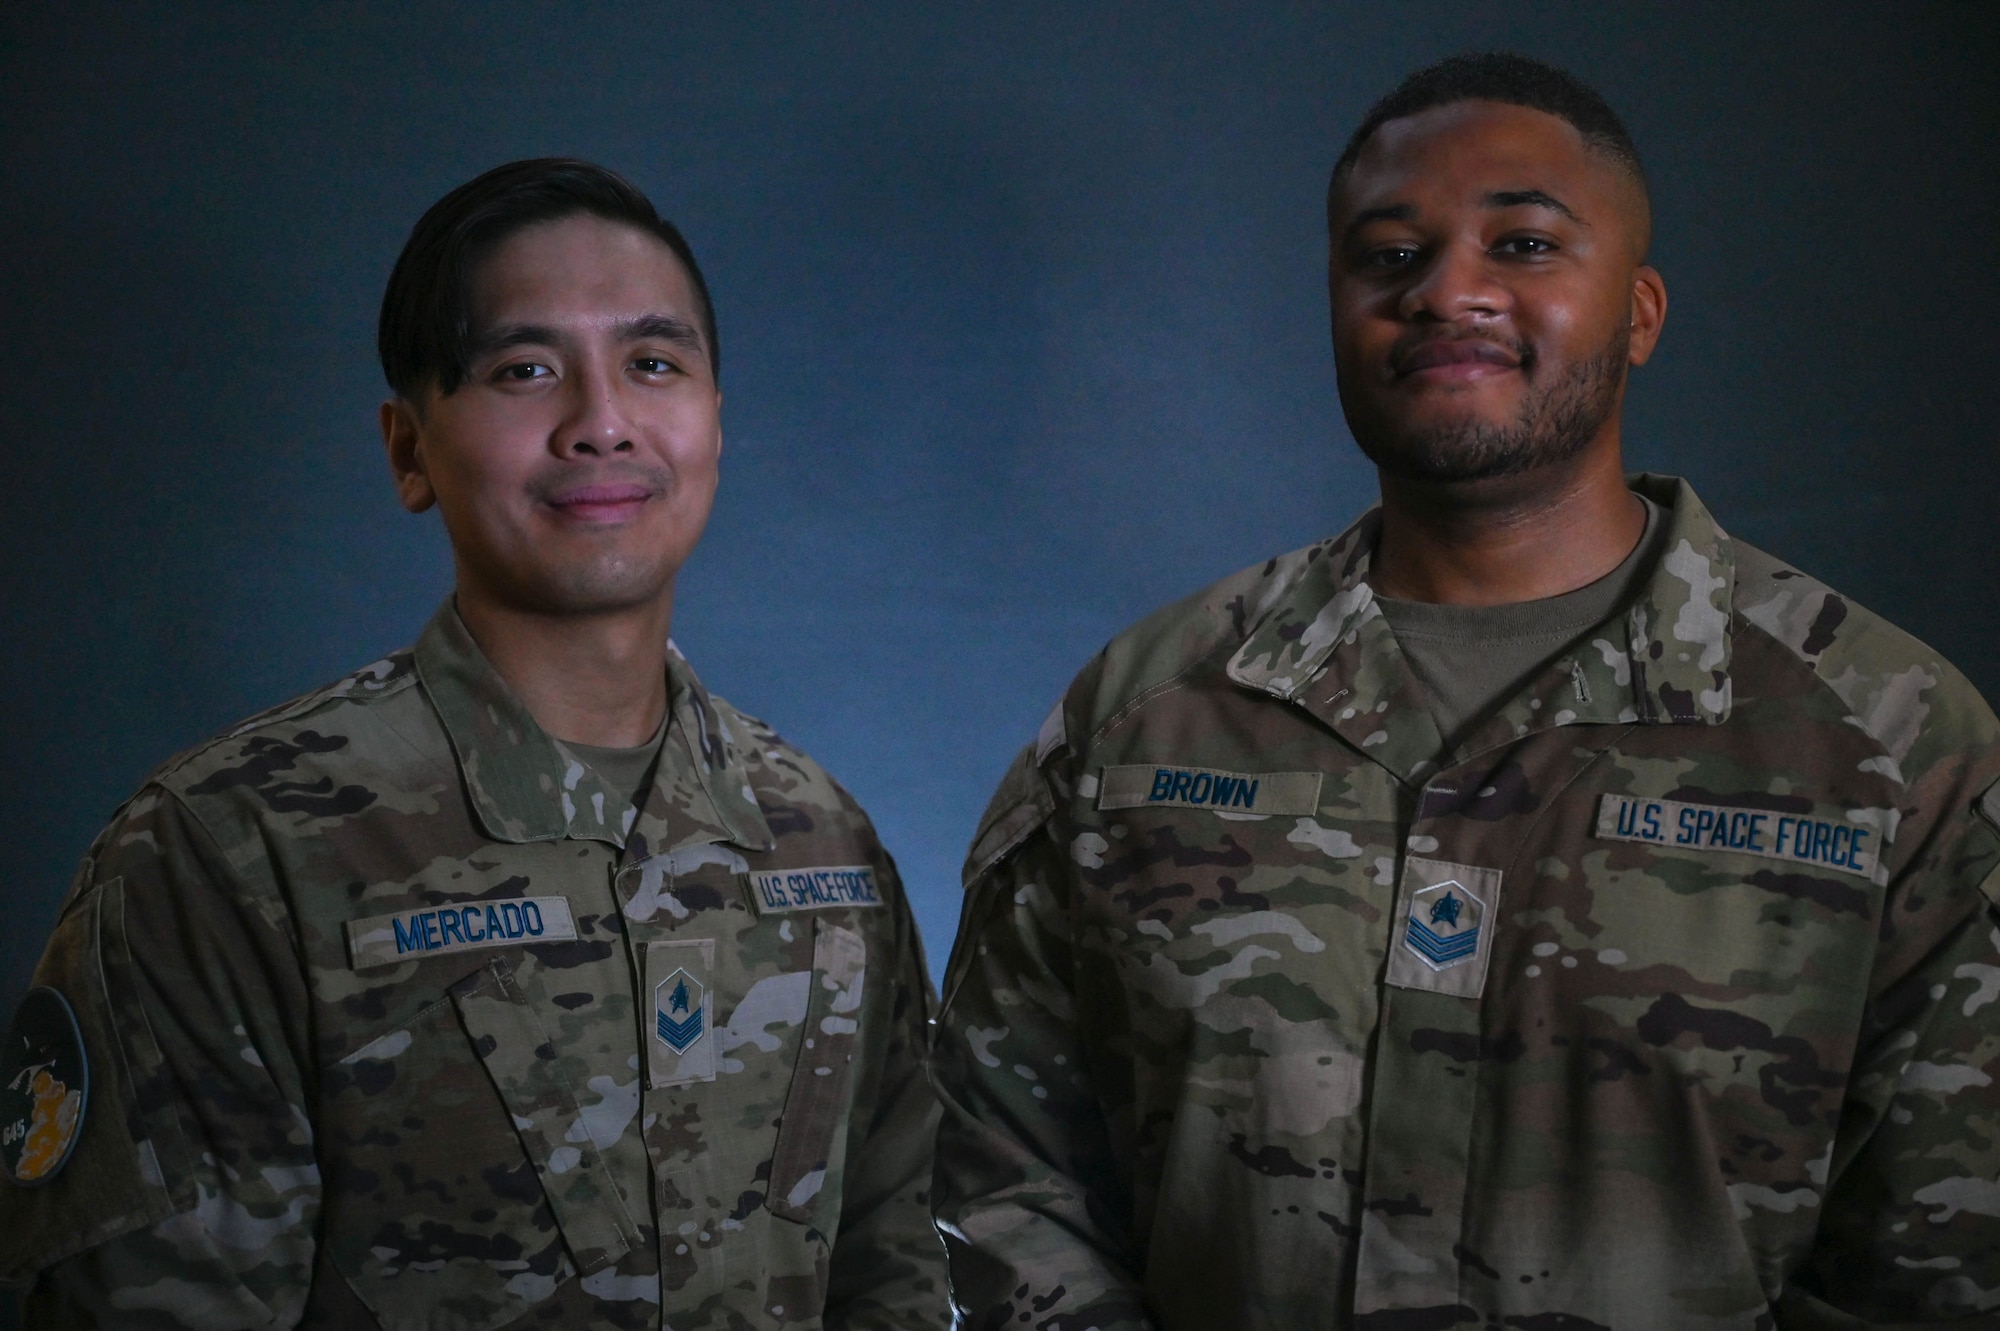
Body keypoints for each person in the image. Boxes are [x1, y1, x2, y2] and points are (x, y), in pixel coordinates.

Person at [929, 53, 2000, 1329]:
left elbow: (1947, 1259)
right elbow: (1003, 1174)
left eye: (1525, 242)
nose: (1448, 290)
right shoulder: (1143, 714)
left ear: (1640, 311)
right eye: (1388, 256)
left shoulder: (1886, 740)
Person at [0, 159, 946, 1329]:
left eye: (653, 363)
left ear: (713, 422)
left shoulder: (824, 842)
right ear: (409, 451)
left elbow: (893, 1272)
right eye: (523, 369)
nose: (602, 421)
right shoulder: (229, 851)